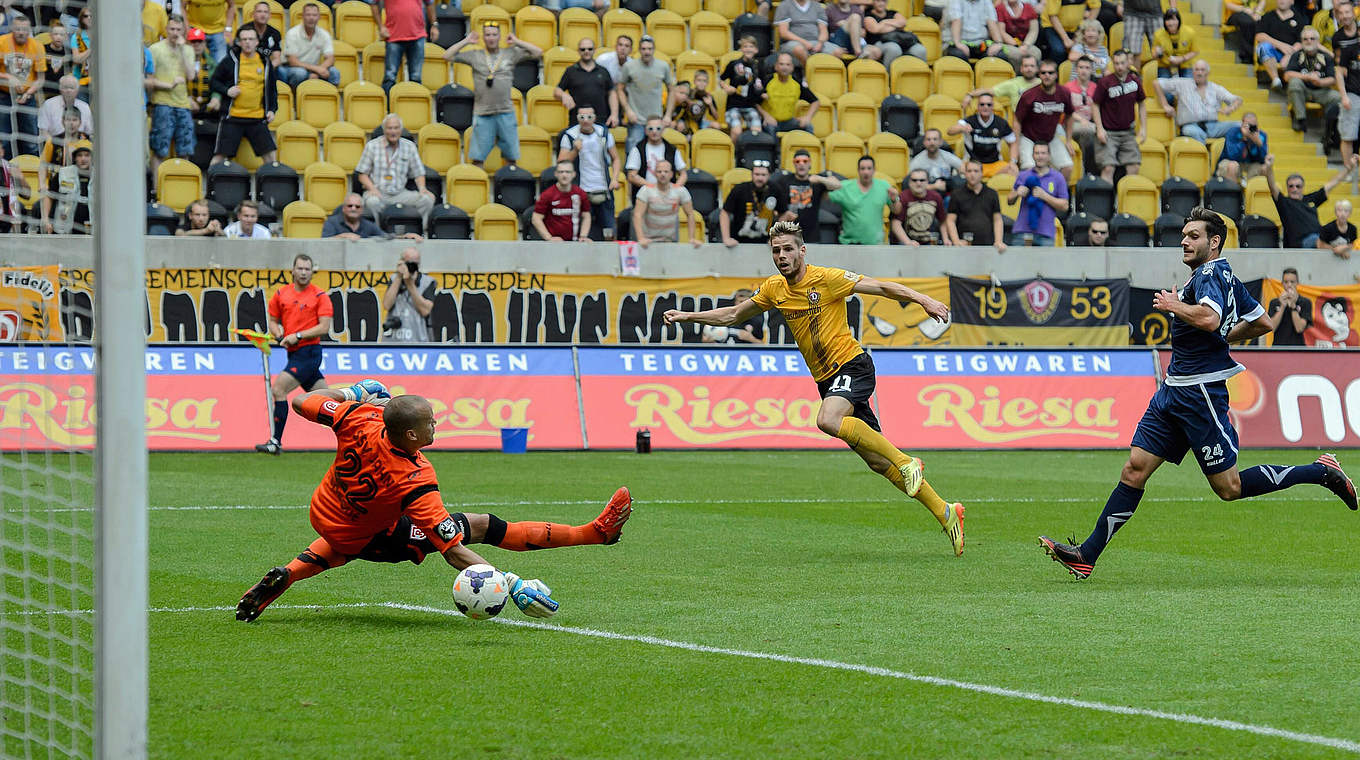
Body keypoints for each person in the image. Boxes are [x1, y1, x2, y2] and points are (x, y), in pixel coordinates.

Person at [1038, 207, 1357, 580]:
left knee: (1229, 487)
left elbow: (1210, 319)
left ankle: (1319, 471)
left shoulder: (1211, 272)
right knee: (1135, 468)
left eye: (1194, 236)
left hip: (1199, 394)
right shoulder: (1222, 278)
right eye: (1184, 235)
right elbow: (1263, 322)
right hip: (1173, 390)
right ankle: (1086, 555)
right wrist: (1221, 333)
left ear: (1214, 242)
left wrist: (1177, 307)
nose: (1185, 241)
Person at [663, 220, 965, 556]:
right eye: (776, 250)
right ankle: (945, 510)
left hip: (853, 365)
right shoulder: (775, 289)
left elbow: (881, 288)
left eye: (788, 249)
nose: (781, 256)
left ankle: (908, 461)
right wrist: (689, 317)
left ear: (802, 251)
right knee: (878, 464)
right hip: (828, 380)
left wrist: (923, 299)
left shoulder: (827, 278)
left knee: (827, 420)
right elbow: (734, 314)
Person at [235, 380, 634, 623]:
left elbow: (302, 402)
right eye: (429, 422)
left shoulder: (359, 417)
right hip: (372, 534)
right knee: (477, 525)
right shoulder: (416, 479)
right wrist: (510, 582)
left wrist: (354, 391)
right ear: (410, 435)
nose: (435, 424)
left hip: (326, 511)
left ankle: (288, 573)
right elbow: (454, 552)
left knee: (347, 539)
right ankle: (594, 534)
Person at [255, 254, 332, 455]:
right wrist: (277, 331)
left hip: (309, 353)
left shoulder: (319, 296)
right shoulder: (281, 294)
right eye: (300, 268)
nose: (304, 272)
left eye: (307, 269)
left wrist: (297, 335)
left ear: (312, 271)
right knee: (330, 401)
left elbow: (324, 327)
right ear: (293, 270)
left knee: (279, 389)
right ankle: (358, 433)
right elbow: (273, 320)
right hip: (294, 354)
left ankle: (275, 442)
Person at [445, 24, 541, 170]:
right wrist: (466, 41)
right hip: (483, 113)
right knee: (477, 159)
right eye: (488, 35)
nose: (491, 38)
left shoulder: (510, 53)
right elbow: (447, 56)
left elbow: (538, 52)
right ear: (483, 37)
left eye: (494, 34)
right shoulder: (475, 55)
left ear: (499, 36)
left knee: (511, 158)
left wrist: (516, 41)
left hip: (506, 112)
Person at [207, 26, 278, 166]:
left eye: (251, 39)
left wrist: (272, 110)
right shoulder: (230, 60)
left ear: (257, 42)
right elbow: (213, 82)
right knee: (219, 158)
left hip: (257, 118)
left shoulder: (265, 62)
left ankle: (270, 186)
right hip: (232, 117)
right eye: (244, 39)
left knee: (270, 158)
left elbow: (272, 90)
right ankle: (211, 186)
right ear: (239, 42)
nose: (247, 42)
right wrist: (227, 91)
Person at [355, 113, 435, 223]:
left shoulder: (409, 147)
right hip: (378, 192)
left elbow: (419, 173)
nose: (393, 131)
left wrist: (422, 189)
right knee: (372, 202)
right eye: (390, 128)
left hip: (401, 193)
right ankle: (379, 233)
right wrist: (372, 189)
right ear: (384, 130)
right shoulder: (372, 146)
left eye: (396, 128)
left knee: (427, 200)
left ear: (401, 130)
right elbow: (362, 174)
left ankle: (419, 230)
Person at [1264, 153, 1356, 248]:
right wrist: (1269, 167)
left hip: (1319, 237)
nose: (1294, 189)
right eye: (1291, 186)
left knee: (1341, 232)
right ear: (1287, 188)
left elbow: (1333, 183)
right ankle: (1336, 249)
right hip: (1301, 243)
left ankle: (1340, 248)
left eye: (1298, 186)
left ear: (1303, 188)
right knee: (1317, 239)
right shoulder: (1284, 203)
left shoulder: (1310, 199)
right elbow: (1272, 186)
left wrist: (1349, 168)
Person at [557, 103, 620, 240]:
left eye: (589, 116)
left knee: (609, 230)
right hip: (581, 191)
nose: (586, 120)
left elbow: (615, 158)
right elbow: (561, 162)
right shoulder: (570, 135)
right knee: (582, 233)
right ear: (577, 118)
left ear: (594, 118)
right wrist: (575, 150)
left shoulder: (603, 133)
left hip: (604, 189)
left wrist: (614, 178)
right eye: (582, 117)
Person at [148, 16, 199, 182]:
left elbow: (191, 75)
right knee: (160, 149)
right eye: (172, 29)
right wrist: (168, 85)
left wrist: (182, 50)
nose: (175, 33)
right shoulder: (155, 49)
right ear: (166, 29)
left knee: (185, 149)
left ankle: (183, 185)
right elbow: (149, 79)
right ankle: (157, 188)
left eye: (178, 30)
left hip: (183, 104)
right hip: (162, 103)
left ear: (183, 31)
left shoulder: (188, 50)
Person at [1014, 59, 1076, 181]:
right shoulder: (1029, 95)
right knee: (1029, 169)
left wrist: (1068, 140)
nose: (1047, 76)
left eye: (1050, 72)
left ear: (1056, 75)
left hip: (1050, 138)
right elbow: (1017, 120)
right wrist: (1016, 145)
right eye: (1043, 73)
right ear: (1039, 74)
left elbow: (1070, 115)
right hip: (1029, 138)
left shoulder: (1064, 93)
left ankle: (1059, 196)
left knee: (1067, 167)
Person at [1153, 60, 1243, 143]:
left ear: (1208, 73)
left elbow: (1238, 99)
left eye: (1202, 70)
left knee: (1240, 125)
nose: (1199, 73)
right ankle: (1206, 156)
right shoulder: (1182, 83)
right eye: (1197, 70)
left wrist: (1231, 108)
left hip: (1213, 126)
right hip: (1190, 126)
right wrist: (1165, 105)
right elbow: (1156, 83)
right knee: (1193, 132)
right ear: (1193, 72)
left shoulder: (1215, 88)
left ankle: (1236, 156)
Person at [617, 36, 674, 156]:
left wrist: (668, 115)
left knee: (655, 156)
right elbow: (620, 89)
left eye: (649, 49)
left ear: (654, 50)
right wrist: (628, 111)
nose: (647, 52)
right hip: (636, 119)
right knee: (633, 154)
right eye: (643, 49)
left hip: (656, 121)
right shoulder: (629, 66)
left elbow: (672, 90)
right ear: (639, 50)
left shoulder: (663, 66)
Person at [0, 14, 45, 159]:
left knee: (31, 139)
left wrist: (28, 93)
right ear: (12, 29)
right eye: (18, 29)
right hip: (4, 96)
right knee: (4, 139)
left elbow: (41, 79)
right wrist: (8, 77)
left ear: (29, 30)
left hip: (27, 97)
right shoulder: (2, 42)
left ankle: (33, 172)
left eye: (24, 29)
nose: (21, 32)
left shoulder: (37, 46)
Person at [1007, 142, 1068, 245]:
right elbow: (1009, 200)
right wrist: (1017, 193)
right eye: (1037, 153)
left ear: (1049, 156)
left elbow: (1065, 206)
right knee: (1018, 261)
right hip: (1022, 230)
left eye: (1043, 153)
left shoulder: (1058, 177)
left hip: (1045, 232)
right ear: (1032, 155)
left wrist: (1045, 196)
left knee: (1044, 262)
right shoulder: (1023, 175)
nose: (1040, 156)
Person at [948, 93, 1019, 179]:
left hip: (994, 164)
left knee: (1013, 170)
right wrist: (962, 128)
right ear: (977, 107)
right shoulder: (970, 121)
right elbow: (950, 131)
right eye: (982, 104)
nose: (986, 107)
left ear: (993, 106)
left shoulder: (1001, 123)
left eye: (989, 104)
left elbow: (1013, 143)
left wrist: (1013, 161)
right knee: (958, 173)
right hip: (972, 164)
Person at [633, 160, 700, 247]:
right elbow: (637, 215)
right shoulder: (646, 190)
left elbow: (690, 214)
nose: (663, 174)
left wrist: (691, 238)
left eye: (666, 171)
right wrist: (641, 238)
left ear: (671, 174)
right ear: (654, 173)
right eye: (659, 171)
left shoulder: (680, 191)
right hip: (648, 242)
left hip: (670, 242)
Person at [1282, 26, 1338, 131]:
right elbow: (1287, 75)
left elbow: (1333, 79)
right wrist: (1307, 77)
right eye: (1305, 39)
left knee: (1338, 97)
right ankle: (1301, 120)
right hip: (1303, 90)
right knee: (1294, 82)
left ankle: (1330, 131)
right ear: (1302, 41)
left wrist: (1320, 82)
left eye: (1312, 39)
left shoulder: (1326, 57)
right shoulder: (1297, 55)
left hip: (1322, 91)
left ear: (1318, 41)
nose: (1309, 41)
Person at [555, 36, 618, 128]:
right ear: (578, 51)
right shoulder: (571, 71)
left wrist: (614, 115)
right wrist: (563, 95)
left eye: (590, 49)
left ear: (594, 50)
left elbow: (612, 93)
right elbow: (557, 91)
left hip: (600, 120)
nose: (586, 51)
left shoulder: (603, 71)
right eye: (583, 49)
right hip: (577, 121)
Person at [721, 159, 787, 246]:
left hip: (766, 243)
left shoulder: (776, 189)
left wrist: (776, 237)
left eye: (763, 175)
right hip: (738, 243)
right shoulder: (739, 189)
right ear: (752, 175)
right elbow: (724, 213)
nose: (760, 178)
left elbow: (783, 214)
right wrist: (726, 238)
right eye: (757, 174)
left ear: (769, 175)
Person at [373, 0, 434, 93]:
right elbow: (373, 3)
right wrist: (380, 27)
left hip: (417, 36)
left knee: (416, 78)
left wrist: (434, 25)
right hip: (394, 36)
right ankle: (388, 107)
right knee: (390, 77)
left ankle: (415, 107)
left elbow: (429, 3)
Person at [946, 159, 1007, 251]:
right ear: (965, 174)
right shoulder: (956, 194)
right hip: (964, 247)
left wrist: (998, 241)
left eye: (976, 171)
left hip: (988, 245)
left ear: (982, 173)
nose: (972, 174)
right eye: (969, 171)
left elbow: (997, 220)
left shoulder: (992, 193)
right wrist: (956, 241)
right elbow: (950, 220)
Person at [775, 148, 835, 241]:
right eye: (798, 161)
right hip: (789, 234)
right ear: (794, 163)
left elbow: (837, 185)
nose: (801, 164)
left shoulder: (816, 182)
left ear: (810, 163)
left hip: (811, 235)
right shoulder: (784, 181)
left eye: (805, 161)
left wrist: (820, 179)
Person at [380, 248, 437, 343]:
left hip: (418, 341)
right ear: (402, 262)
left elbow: (425, 310)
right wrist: (399, 277)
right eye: (409, 263)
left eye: (415, 264)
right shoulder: (394, 279)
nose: (412, 266)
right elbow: (386, 305)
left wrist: (410, 284)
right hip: (393, 341)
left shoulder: (427, 282)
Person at [279, 1, 340, 89]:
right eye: (308, 15)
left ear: (319, 17)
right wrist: (316, 70)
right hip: (292, 68)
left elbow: (330, 58)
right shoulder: (292, 33)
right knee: (300, 73)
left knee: (334, 72)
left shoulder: (324, 34)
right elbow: (293, 61)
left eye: (314, 15)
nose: (311, 18)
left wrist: (319, 70)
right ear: (303, 16)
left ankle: (330, 99)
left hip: (314, 68)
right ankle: (295, 99)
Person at [624, 115, 687, 197]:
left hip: (668, 197)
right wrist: (653, 188)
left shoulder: (672, 149)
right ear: (645, 131)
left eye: (658, 128)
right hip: (644, 196)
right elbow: (631, 176)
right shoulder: (637, 149)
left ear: (663, 130)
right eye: (650, 128)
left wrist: (674, 189)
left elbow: (683, 174)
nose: (654, 131)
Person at [532, 160, 593, 242]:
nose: (564, 175)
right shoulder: (547, 195)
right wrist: (549, 238)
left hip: (574, 243)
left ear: (573, 174)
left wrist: (583, 236)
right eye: (561, 172)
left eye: (568, 172)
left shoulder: (580, 194)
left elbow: (586, 215)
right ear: (556, 174)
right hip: (554, 245)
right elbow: (536, 218)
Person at [761, 52, 820, 135]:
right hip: (770, 120)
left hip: (788, 122)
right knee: (770, 128)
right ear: (776, 66)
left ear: (792, 67)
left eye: (788, 65)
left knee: (808, 126)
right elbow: (754, 101)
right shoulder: (767, 81)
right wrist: (766, 116)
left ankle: (805, 148)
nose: (784, 67)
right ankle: (776, 148)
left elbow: (816, 102)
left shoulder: (797, 83)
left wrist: (807, 117)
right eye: (781, 64)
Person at [721, 37, 766, 142]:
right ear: (741, 49)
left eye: (751, 46)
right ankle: (735, 155)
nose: (748, 49)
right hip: (733, 106)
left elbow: (762, 85)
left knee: (756, 131)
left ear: (756, 50)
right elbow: (721, 79)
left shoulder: (759, 66)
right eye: (745, 46)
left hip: (750, 106)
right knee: (737, 131)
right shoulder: (734, 64)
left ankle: (750, 155)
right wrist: (727, 87)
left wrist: (763, 93)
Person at [40, 138, 89, 234]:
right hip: (64, 228)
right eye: (80, 155)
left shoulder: (100, 176)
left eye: (87, 155)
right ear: (74, 157)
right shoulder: (63, 174)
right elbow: (49, 196)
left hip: (91, 230)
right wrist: (45, 219)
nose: (83, 159)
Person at [1256, 0, 1304, 91]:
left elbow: (1301, 41)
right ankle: (1276, 80)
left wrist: (1290, 55)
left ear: (1292, 2)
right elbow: (1259, 35)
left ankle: (1294, 87)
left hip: (1291, 54)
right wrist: (1280, 45)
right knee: (1262, 47)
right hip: (1272, 53)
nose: (1282, 0)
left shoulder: (1299, 19)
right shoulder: (1268, 16)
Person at [1061, 55, 1098, 174]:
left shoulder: (1096, 88)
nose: (1084, 70)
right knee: (1087, 130)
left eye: (1087, 67)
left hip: (1089, 123)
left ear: (1092, 70)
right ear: (1076, 70)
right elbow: (1064, 110)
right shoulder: (1067, 88)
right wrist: (1080, 119)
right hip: (1070, 124)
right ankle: (1085, 170)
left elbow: (1098, 110)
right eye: (1081, 67)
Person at [963, 52, 1039, 111]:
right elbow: (989, 91)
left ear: (1037, 69)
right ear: (1021, 68)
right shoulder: (1013, 83)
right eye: (1026, 66)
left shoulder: (1043, 84)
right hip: (1020, 122)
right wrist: (970, 95)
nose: (1029, 69)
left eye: (1032, 66)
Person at [893, 169, 951, 245]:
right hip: (906, 242)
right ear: (909, 183)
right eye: (914, 180)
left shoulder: (936, 197)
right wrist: (908, 242)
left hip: (929, 242)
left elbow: (943, 221)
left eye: (922, 180)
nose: (918, 183)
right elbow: (895, 223)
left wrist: (946, 239)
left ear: (927, 182)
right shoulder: (903, 197)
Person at [864, 0, 927, 66]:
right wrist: (895, 25)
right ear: (873, 2)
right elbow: (875, 29)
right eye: (878, 1)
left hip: (899, 40)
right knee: (894, 49)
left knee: (920, 50)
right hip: (880, 42)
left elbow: (903, 23)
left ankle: (920, 74)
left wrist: (884, 23)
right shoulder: (868, 14)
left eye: (883, 1)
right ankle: (889, 74)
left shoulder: (892, 12)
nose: (881, 3)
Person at [1215, 112, 1268, 183]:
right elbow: (1232, 155)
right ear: (1242, 124)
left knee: (1263, 168)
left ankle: (1249, 191)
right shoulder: (1233, 132)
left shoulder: (1261, 135)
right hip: (1231, 161)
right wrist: (1244, 139)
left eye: (1253, 126)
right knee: (1232, 166)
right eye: (1248, 125)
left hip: (1249, 165)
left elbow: (1262, 160)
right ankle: (1232, 192)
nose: (1250, 128)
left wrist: (1258, 143)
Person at [908, 128, 964, 194]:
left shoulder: (947, 156)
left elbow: (963, 168)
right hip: (926, 195)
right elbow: (910, 184)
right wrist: (934, 186)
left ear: (941, 142)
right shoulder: (917, 161)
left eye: (935, 139)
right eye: (928, 139)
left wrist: (961, 174)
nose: (932, 142)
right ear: (924, 142)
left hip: (946, 192)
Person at [773, 0, 829, 65]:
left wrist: (820, 43)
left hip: (816, 42)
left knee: (837, 52)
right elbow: (784, 33)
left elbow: (824, 30)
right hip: (792, 43)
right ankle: (808, 73)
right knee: (799, 50)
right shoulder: (785, 5)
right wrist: (804, 42)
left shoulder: (817, 6)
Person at [1267, 267, 1313, 344]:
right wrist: (1282, 306)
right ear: (1282, 283)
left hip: (1298, 350)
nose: (1289, 285)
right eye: (1286, 282)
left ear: (1297, 283)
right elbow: (1272, 328)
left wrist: (1293, 306)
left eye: (1292, 282)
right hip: (1278, 349)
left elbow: (1299, 328)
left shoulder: (1305, 302)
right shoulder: (1274, 303)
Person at [1340, 6, 1360, 168]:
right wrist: (1344, 95)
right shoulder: (1349, 49)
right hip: (1353, 94)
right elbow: (1339, 72)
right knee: (1348, 135)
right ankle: (1348, 170)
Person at [994, 0, 1042, 67]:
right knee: (1016, 54)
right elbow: (1001, 32)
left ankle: (1032, 75)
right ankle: (1017, 75)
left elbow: (1033, 31)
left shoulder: (1028, 7)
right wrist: (1016, 45)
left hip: (1026, 43)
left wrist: (1025, 45)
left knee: (1036, 52)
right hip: (1008, 44)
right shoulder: (1000, 8)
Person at [1152, 9, 1197, 78]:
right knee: (1163, 83)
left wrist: (1182, 58)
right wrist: (1158, 52)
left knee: (1188, 83)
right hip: (1165, 64)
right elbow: (1154, 55)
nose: (1170, 23)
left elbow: (1194, 51)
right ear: (1164, 22)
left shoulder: (1189, 32)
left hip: (1184, 63)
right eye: (1168, 20)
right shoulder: (1158, 34)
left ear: (1179, 21)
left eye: (1173, 20)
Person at [323, 193, 388, 239]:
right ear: (343, 208)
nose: (353, 209)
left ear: (362, 210)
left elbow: (384, 237)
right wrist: (342, 237)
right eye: (350, 206)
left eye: (357, 206)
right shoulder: (331, 222)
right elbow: (323, 242)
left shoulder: (369, 225)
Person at [186, 27, 218, 118]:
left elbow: (216, 85)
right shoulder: (182, 62)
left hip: (206, 106)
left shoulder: (212, 63)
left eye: (199, 41)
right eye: (193, 42)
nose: (196, 45)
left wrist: (215, 99)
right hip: (186, 106)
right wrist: (187, 99)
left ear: (204, 44)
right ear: (188, 44)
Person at [239, 0, 282, 67]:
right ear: (253, 14)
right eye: (259, 11)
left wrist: (266, 69)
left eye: (266, 12)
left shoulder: (275, 33)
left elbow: (277, 59)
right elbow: (237, 55)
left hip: (267, 68)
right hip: (246, 67)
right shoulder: (244, 31)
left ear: (270, 15)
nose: (263, 14)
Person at [40, 21, 71, 100]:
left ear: (66, 37)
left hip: (62, 91)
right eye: (56, 34)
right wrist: (59, 59)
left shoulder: (69, 52)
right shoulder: (42, 49)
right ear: (50, 35)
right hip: (43, 89)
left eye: (62, 35)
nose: (58, 37)